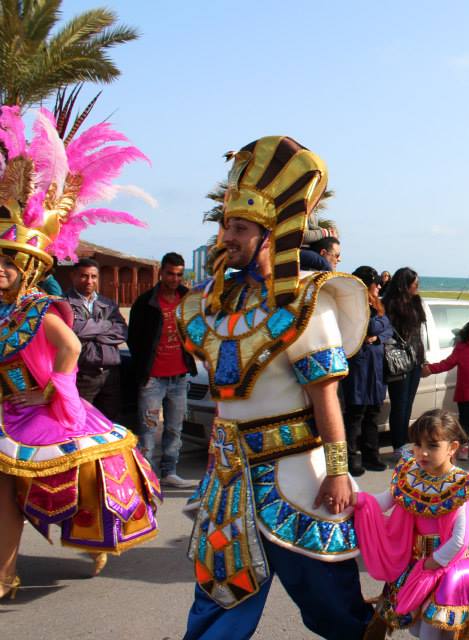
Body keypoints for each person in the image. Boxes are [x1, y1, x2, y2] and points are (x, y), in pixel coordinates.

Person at [178, 137, 372, 638]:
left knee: (331, 603)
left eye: (240, 228)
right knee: (219, 599)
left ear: (272, 234)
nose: (227, 237)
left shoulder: (307, 302)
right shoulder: (216, 304)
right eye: (225, 226)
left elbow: (325, 397)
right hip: (228, 481)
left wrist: (336, 473)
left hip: (297, 477)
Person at [0, 103, 160, 597]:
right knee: (5, 494)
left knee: (81, 481)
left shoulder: (39, 309)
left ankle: (24, 566)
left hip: (40, 411)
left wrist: (52, 390)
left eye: (7, 266)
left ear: (26, 269)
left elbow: (68, 347)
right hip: (6, 408)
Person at [353, 409, 469, 639]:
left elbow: (459, 539)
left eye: (433, 446)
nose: (422, 452)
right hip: (416, 564)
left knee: (430, 628)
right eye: (417, 444)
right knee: (415, 626)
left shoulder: (461, 485)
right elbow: (383, 501)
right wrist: (353, 500)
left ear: (452, 448)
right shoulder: (411, 474)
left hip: (445, 567)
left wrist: (433, 563)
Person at [127, 252, 198, 489]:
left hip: (179, 376)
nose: (174, 278)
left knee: (175, 429)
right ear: (161, 272)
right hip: (153, 378)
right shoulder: (146, 302)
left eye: (179, 274)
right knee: (148, 429)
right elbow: (134, 339)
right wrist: (143, 370)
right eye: (170, 273)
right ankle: (147, 475)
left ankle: (170, 471)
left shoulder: (188, 299)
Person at [422, 318, 469, 460]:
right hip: (465, 393)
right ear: (467, 334)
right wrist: (430, 369)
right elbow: (447, 364)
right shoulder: (461, 349)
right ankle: (463, 447)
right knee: (465, 421)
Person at [342, 266, 392, 475]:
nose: (379, 286)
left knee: (372, 412)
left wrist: (378, 335)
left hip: (375, 366)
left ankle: (371, 455)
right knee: (355, 414)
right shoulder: (352, 303)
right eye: (375, 282)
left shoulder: (377, 304)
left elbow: (387, 328)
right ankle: (351, 459)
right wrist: (378, 328)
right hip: (360, 366)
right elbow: (371, 326)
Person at [64, 257, 127, 422]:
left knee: (109, 423)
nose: (89, 281)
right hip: (82, 375)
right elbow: (73, 331)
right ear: (73, 276)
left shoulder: (108, 303)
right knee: (81, 422)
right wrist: (106, 325)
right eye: (84, 276)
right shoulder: (63, 304)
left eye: (93, 276)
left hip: (109, 374)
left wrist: (89, 329)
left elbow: (121, 332)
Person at [383, 267, 427, 457]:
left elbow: (419, 334)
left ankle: (402, 443)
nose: (417, 287)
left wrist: (423, 358)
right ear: (404, 285)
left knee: (408, 403)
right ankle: (397, 445)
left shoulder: (416, 302)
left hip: (415, 358)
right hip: (398, 359)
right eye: (414, 284)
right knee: (399, 403)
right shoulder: (390, 304)